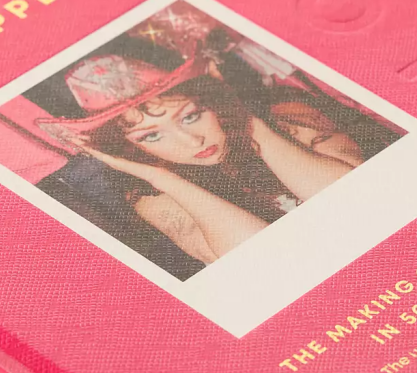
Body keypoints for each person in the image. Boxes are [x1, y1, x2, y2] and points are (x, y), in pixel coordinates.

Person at [33, 47, 358, 272]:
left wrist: (243, 121)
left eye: (190, 116)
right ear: (128, 149)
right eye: (151, 136)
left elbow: (355, 200)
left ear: (211, 101)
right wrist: (164, 179)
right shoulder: (149, 194)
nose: (192, 141)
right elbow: (261, 260)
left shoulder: (284, 114)